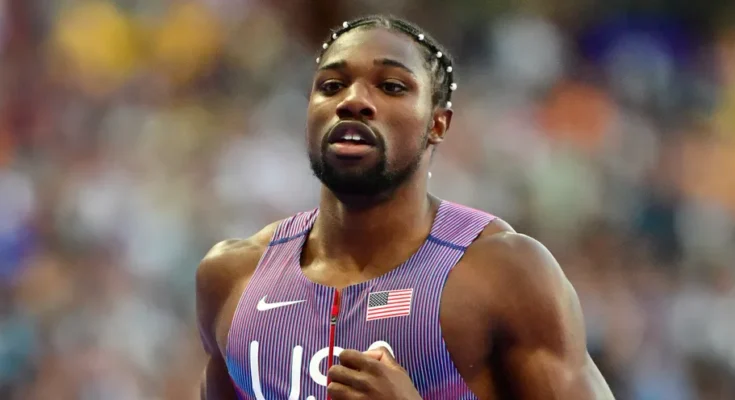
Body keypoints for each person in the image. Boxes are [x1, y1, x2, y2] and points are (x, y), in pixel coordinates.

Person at [196, 14, 615, 400]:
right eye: (331, 85)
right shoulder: (233, 277)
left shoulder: (504, 272)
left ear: (437, 123)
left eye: (391, 86)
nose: (353, 100)